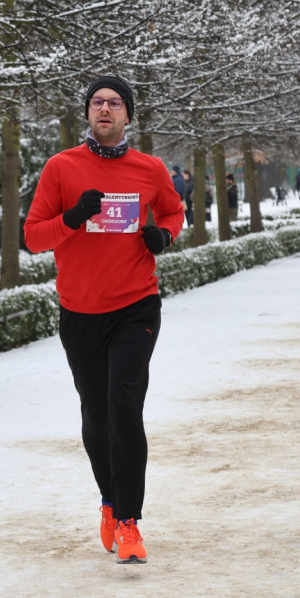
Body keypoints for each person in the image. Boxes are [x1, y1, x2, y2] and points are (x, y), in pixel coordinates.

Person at [23, 75, 184, 565]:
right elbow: (33, 238)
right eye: (97, 103)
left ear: (128, 115)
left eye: (115, 103)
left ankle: (131, 523)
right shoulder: (61, 168)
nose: (105, 110)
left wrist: (163, 238)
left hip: (136, 306)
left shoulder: (150, 168)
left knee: (124, 408)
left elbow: (175, 213)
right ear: (87, 114)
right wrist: (72, 218)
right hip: (80, 312)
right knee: (95, 415)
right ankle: (110, 503)